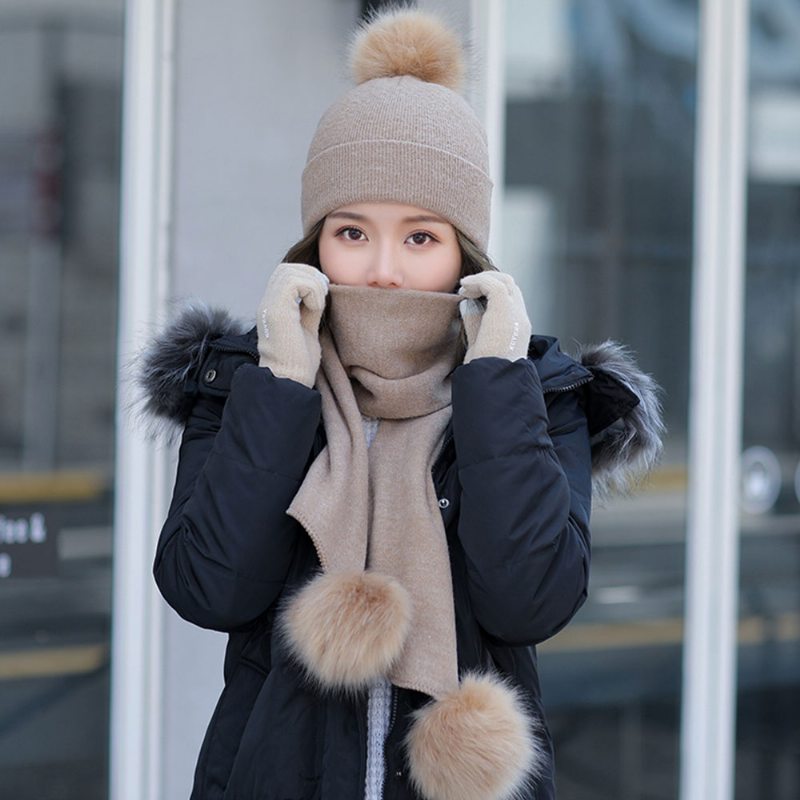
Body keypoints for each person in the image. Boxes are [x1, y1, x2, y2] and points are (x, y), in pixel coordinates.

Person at [136, 8, 664, 800]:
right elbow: (208, 589)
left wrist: (494, 381)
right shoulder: (248, 381)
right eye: (352, 232)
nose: (382, 270)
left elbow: (530, 601)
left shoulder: (537, 395)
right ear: (314, 245)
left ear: (467, 252)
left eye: (420, 237)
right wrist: (282, 382)